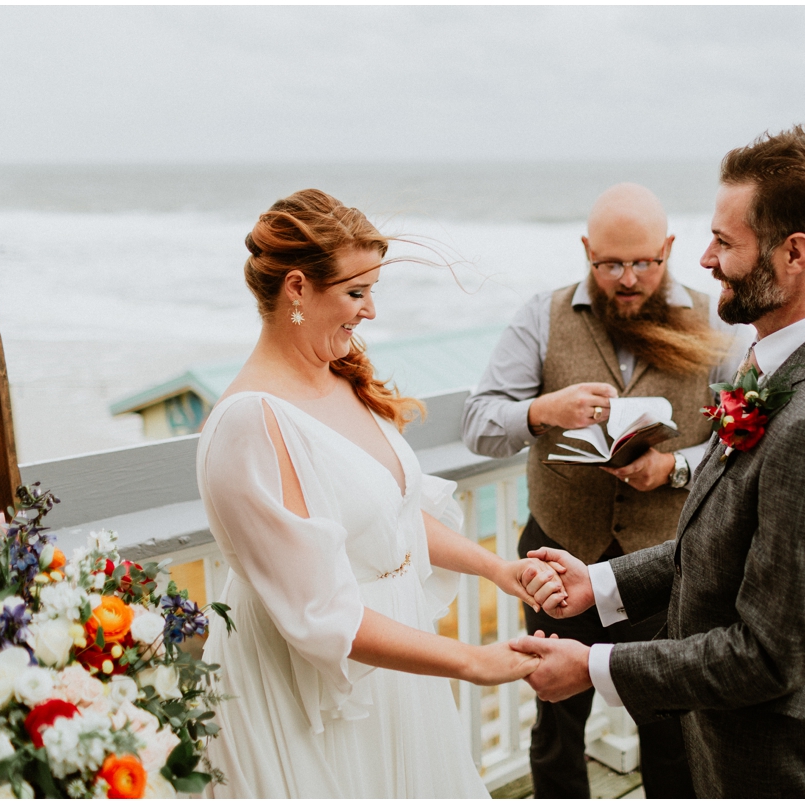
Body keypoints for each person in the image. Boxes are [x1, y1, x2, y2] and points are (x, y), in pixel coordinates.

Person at [514, 128, 805, 797]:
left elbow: (767, 655)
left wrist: (592, 667)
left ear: (795, 255)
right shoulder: (779, 362)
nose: (704, 259)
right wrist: (600, 585)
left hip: (778, 758)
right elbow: (721, 539)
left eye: (725, 243)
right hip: (732, 733)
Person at [196, 189, 565, 798]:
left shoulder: (337, 371)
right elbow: (322, 613)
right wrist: (471, 661)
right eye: (356, 292)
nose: (369, 312)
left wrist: (497, 569)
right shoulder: (250, 423)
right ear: (296, 288)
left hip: (397, 653)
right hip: (310, 679)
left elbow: (393, 520)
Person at [461, 183, 752, 798]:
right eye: (609, 264)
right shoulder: (542, 316)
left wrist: (671, 468)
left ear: (670, 248)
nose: (626, 279)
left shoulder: (720, 324)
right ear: (587, 251)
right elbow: (477, 426)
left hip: (666, 566)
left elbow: (742, 449)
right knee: (556, 725)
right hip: (555, 561)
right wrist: (542, 410)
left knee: (672, 727)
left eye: (644, 262)